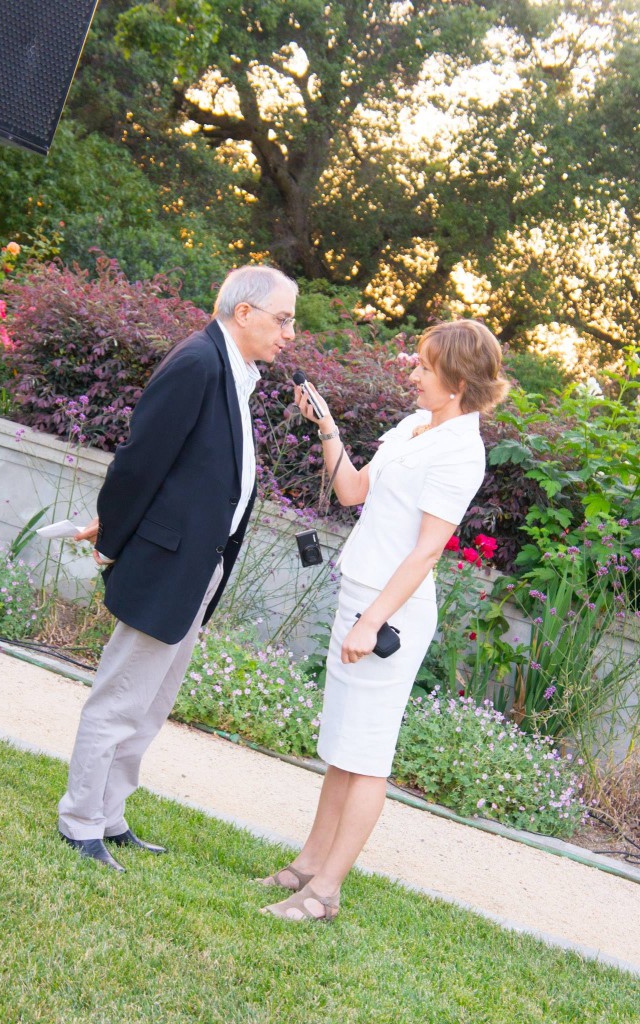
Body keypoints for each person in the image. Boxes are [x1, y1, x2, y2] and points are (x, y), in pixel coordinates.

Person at [258, 318, 509, 921]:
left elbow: (427, 550)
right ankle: (308, 864)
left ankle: (326, 891)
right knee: (343, 745)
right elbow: (350, 491)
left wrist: (371, 622)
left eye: (424, 366)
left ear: (456, 381)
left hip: (390, 614)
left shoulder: (461, 451)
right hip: (360, 596)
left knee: (367, 753)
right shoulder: (414, 427)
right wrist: (328, 428)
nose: (414, 373)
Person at [58, 265, 298, 871]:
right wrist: (112, 539)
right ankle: (80, 820)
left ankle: (109, 815)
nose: (290, 333)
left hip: (198, 567)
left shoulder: (236, 372)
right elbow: (139, 462)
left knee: (152, 701)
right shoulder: (197, 362)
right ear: (244, 313)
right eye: (284, 318)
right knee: (120, 697)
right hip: (167, 563)